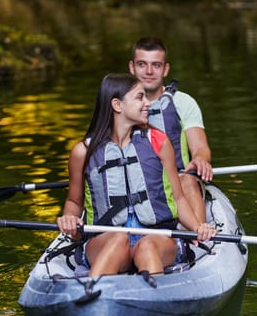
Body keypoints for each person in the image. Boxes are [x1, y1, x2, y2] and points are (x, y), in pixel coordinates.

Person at [56, 73, 215, 279]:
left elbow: (178, 198)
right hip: (105, 239)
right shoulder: (82, 152)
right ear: (117, 105)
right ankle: (92, 297)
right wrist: (70, 218)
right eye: (140, 97)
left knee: (146, 246)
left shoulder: (159, 142)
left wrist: (197, 227)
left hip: (156, 237)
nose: (148, 103)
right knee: (118, 240)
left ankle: (154, 300)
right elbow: (73, 202)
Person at [128, 37, 212, 223]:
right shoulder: (119, 104)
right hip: (136, 182)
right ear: (132, 67)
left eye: (156, 65)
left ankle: (199, 236)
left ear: (165, 69)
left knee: (187, 181)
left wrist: (200, 159)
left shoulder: (183, 102)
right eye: (142, 64)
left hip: (180, 177)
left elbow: (200, 148)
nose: (149, 71)